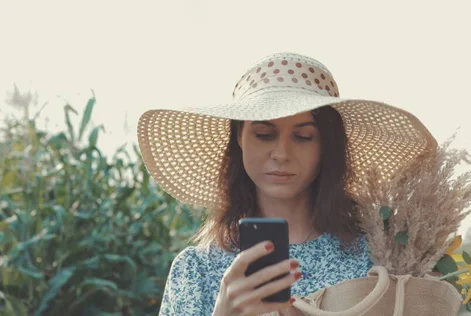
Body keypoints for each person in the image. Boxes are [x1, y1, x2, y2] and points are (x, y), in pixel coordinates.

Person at [136, 52, 437, 315]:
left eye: (303, 136)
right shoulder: (196, 270)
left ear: (326, 146)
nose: (281, 154)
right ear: (239, 138)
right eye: (264, 134)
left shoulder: (377, 258)